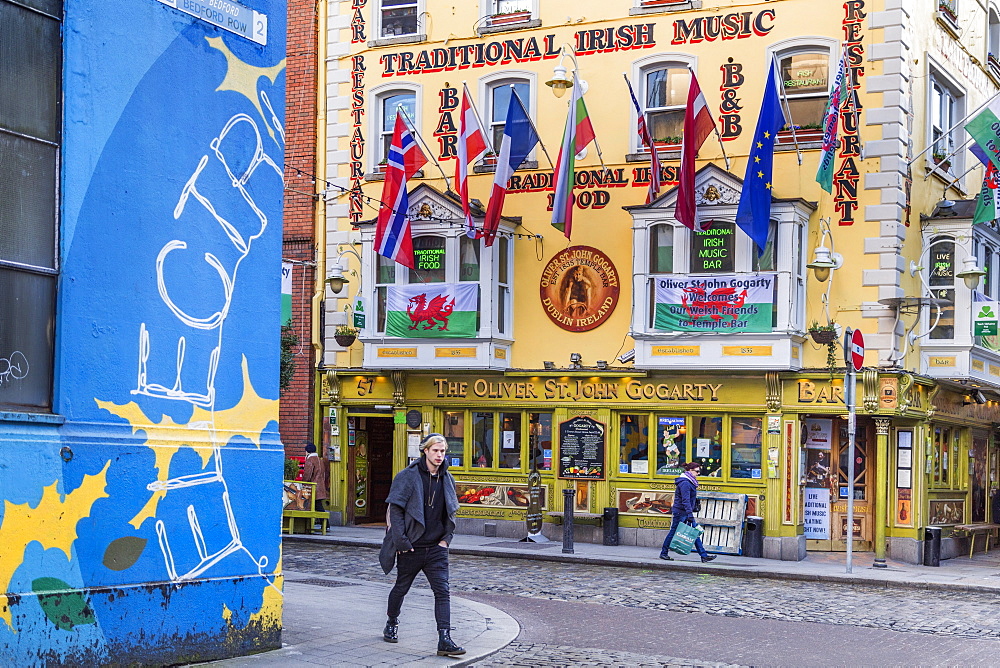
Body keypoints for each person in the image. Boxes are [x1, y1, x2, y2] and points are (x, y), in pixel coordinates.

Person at [378, 434, 464, 657]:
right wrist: (403, 542)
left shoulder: (447, 478)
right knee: (401, 588)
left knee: (442, 591)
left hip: (437, 547)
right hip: (412, 546)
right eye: (435, 451)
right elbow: (395, 510)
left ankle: (444, 638)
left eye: (443, 451)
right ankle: (392, 621)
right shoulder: (408, 476)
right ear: (425, 451)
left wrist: (446, 540)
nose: (439, 455)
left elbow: (452, 511)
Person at [659, 461, 716, 563]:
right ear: (690, 471)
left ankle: (704, 556)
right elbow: (685, 500)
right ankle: (663, 553)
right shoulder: (685, 483)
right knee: (674, 532)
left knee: (694, 533)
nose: (698, 474)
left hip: (684, 512)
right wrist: (690, 515)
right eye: (697, 471)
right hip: (681, 512)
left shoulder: (689, 481)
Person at [301, 443, 328, 528]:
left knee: (316, 506)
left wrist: (303, 483)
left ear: (307, 451)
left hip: (313, 487)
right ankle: (324, 524)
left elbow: (307, 474)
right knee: (318, 505)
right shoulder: (320, 460)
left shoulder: (310, 460)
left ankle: (325, 524)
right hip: (320, 486)